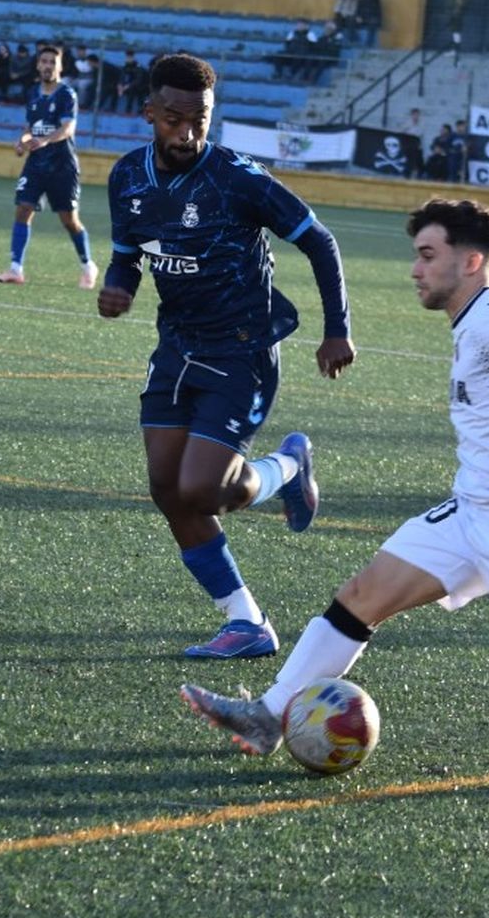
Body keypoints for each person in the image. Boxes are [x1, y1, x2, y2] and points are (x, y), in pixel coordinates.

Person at [179, 197, 489, 788]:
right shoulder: (474, 322)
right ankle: (268, 717)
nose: (415, 269)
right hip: (472, 511)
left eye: (427, 255)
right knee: (362, 595)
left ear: (470, 262)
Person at [98, 53, 356, 659]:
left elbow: (319, 241)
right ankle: (247, 623)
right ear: (150, 114)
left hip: (242, 353)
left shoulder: (242, 179)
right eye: (173, 119)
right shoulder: (126, 177)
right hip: (177, 351)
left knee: (203, 491)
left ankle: (288, 468)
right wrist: (120, 287)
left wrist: (336, 329)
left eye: (200, 119)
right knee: (167, 489)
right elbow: (127, 251)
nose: (187, 133)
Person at [0, 45, 97, 290]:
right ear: (38, 65)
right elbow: (31, 128)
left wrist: (45, 140)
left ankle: (88, 264)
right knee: (23, 209)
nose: (47, 66)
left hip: (62, 165)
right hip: (36, 163)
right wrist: (23, 142)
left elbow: (68, 128)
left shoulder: (66, 94)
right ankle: (16, 269)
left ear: (60, 67)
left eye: (52, 62)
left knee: (69, 220)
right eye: (44, 61)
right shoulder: (33, 93)